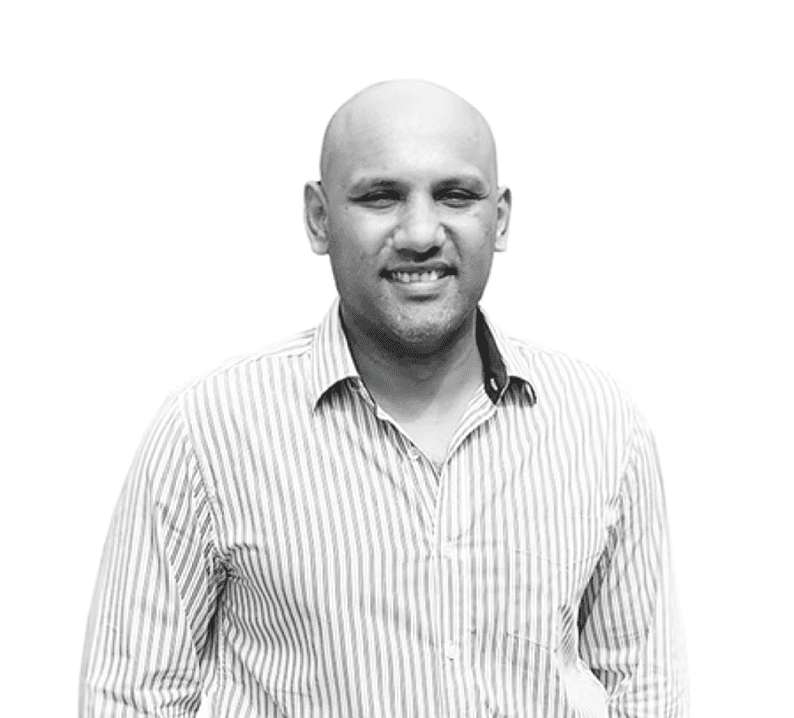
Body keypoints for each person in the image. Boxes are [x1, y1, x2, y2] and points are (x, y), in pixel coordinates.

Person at [80, 79, 688, 717]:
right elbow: (131, 699)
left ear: (500, 218)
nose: (422, 232)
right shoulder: (208, 433)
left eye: (455, 195)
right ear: (319, 218)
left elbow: (642, 695)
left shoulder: (601, 427)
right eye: (381, 196)